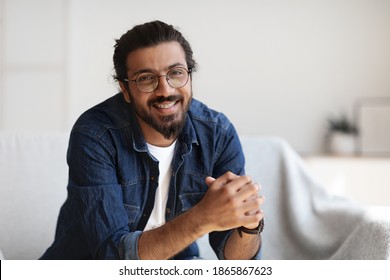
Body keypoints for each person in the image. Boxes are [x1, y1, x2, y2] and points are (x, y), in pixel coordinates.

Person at [41, 20, 264, 260]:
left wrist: (248, 223)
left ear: (189, 75)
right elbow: (111, 258)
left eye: (176, 73)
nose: (165, 90)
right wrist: (202, 217)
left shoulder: (218, 134)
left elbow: (239, 263)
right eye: (146, 78)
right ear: (125, 90)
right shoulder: (95, 135)